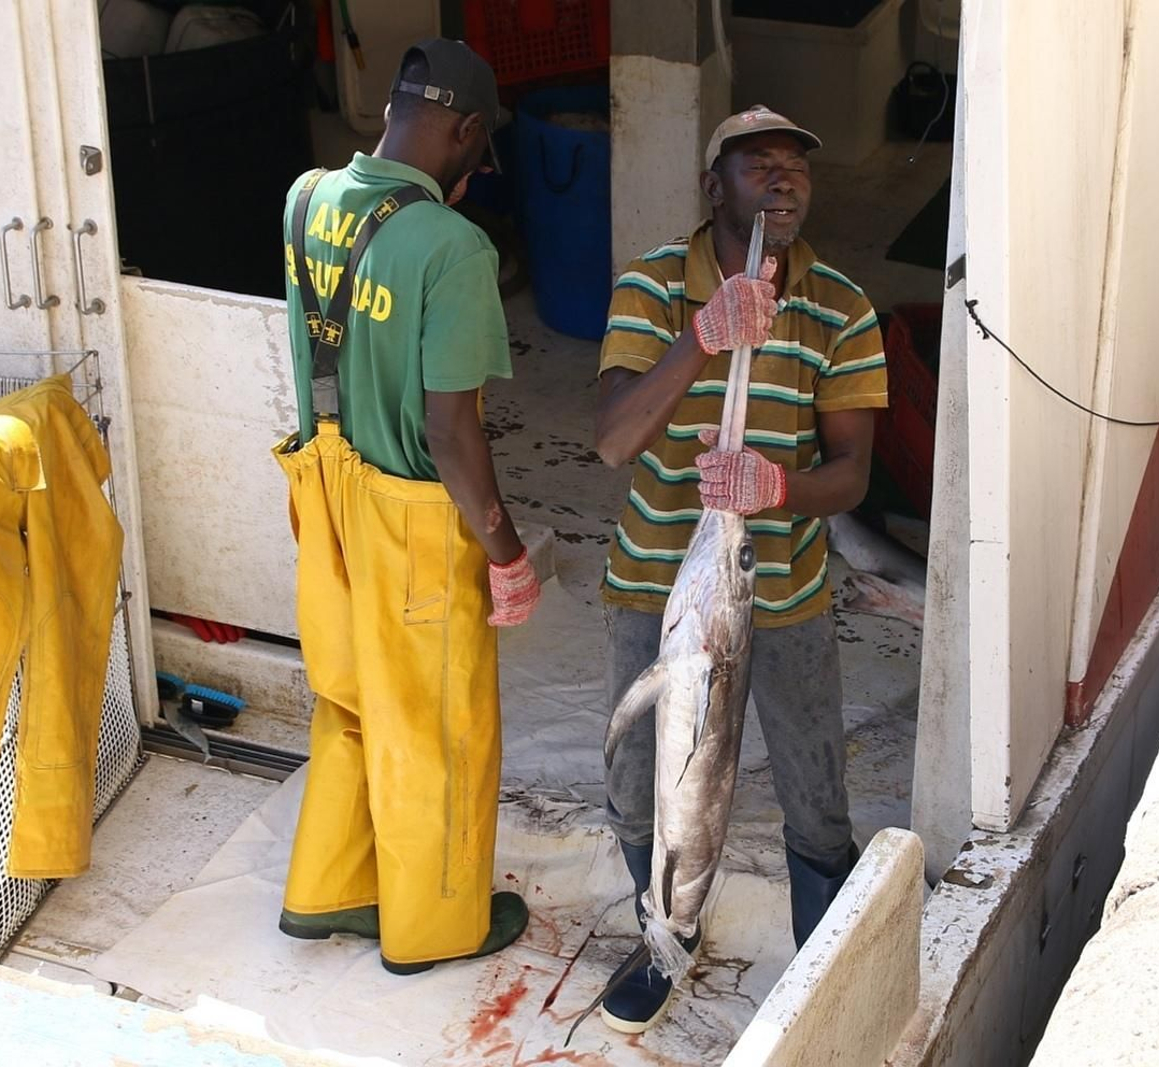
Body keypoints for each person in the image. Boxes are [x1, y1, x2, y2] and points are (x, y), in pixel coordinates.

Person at [591, 105, 889, 1031]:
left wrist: (776, 485)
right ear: (712, 185)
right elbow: (611, 440)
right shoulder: (650, 289)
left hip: (786, 591)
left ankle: (823, 975)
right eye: (760, 165)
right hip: (655, 585)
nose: (784, 180)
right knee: (645, 775)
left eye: (797, 165)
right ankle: (662, 941)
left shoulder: (839, 306)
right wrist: (705, 336)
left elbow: (850, 476)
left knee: (813, 787)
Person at [271, 38, 541, 976]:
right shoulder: (455, 250)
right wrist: (505, 550)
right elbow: (452, 429)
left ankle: (329, 888)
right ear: (467, 132)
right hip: (408, 518)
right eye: (481, 147)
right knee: (434, 728)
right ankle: (437, 926)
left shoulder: (306, 198)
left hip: (323, 490)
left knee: (347, 698)